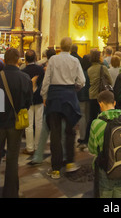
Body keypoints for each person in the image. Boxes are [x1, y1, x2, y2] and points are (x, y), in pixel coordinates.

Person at [40, 37, 85, 179]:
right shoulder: (75, 60)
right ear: (71, 47)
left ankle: (56, 169)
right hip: (69, 97)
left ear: (60, 46)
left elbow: (47, 79)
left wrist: (44, 95)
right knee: (70, 131)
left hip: (54, 97)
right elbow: (82, 81)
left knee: (55, 132)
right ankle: (70, 163)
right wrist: (74, 88)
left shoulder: (53, 60)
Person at [88, 90, 121, 198]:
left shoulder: (96, 123)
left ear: (100, 103)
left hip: (106, 169)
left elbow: (92, 149)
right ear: (114, 103)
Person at [0, 48, 33, 198]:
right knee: (12, 159)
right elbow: (28, 103)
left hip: (0, 122)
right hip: (15, 123)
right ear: (18, 60)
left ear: (5, 60)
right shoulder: (25, 78)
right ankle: (11, 192)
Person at [22, 49, 45, 155]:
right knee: (39, 123)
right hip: (39, 98)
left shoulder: (23, 71)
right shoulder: (41, 70)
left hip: (28, 101)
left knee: (29, 124)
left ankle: (30, 147)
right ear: (35, 58)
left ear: (26, 59)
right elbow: (44, 84)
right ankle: (37, 146)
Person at [87, 50, 113, 126]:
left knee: (92, 118)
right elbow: (110, 81)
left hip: (92, 95)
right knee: (103, 117)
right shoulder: (103, 68)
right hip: (102, 95)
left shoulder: (89, 69)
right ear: (99, 57)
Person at [77, 54, 91, 150]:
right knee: (88, 117)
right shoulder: (91, 71)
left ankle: (82, 138)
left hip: (81, 96)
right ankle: (88, 138)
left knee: (82, 117)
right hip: (90, 97)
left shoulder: (80, 71)